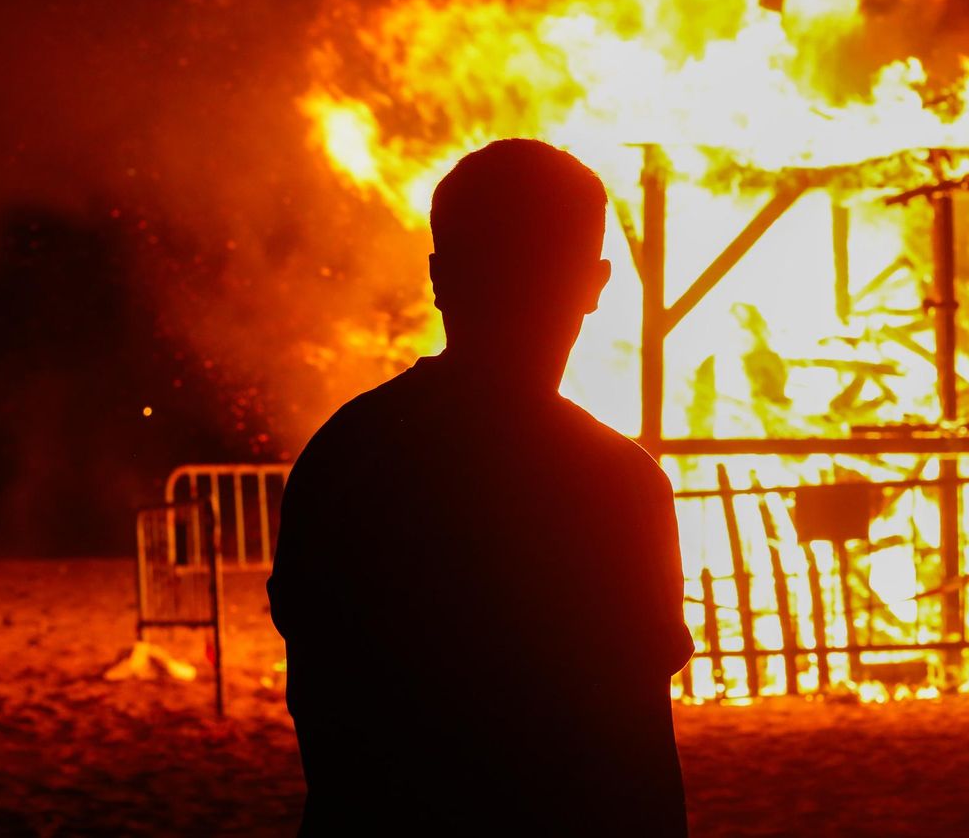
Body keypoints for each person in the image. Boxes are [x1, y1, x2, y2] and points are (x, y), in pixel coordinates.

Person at [268, 140, 694, 834]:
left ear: (441, 276)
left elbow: (326, 705)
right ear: (594, 283)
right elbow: (639, 757)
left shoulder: (343, 457)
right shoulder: (619, 484)